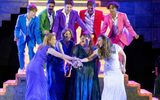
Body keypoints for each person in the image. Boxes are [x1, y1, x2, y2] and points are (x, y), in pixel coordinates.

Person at [25, 33, 77, 100]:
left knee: (33, 86)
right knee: (41, 85)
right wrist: (74, 58)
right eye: (54, 39)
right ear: (49, 41)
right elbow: (62, 55)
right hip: (37, 68)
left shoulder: (41, 46)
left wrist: (71, 63)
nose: (55, 41)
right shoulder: (49, 49)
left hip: (30, 66)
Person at [80, 35, 127, 100]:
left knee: (118, 91)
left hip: (117, 73)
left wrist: (123, 66)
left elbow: (124, 55)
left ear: (104, 41)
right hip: (108, 74)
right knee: (108, 91)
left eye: (99, 40)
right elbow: (89, 58)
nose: (97, 42)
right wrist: (80, 60)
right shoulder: (99, 51)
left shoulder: (116, 47)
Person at [68, 33, 101, 100]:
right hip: (80, 74)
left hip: (90, 74)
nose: (83, 39)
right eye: (82, 38)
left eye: (85, 38)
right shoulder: (76, 47)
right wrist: (76, 63)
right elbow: (73, 59)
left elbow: (98, 61)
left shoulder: (94, 48)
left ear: (89, 39)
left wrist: (97, 71)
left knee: (89, 90)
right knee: (80, 91)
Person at [46, 28, 74, 100]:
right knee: (53, 85)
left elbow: (67, 55)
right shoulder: (58, 43)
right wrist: (73, 61)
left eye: (69, 34)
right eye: (66, 34)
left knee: (61, 85)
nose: (67, 35)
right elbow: (63, 55)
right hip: (54, 67)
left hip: (61, 67)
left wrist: (71, 65)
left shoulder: (71, 43)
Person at [14, 4, 42, 73]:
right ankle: (21, 67)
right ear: (29, 11)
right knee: (20, 52)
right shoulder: (20, 17)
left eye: (35, 12)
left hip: (31, 37)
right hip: (21, 37)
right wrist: (16, 36)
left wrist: (40, 43)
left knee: (31, 51)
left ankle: (32, 67)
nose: (35, 13)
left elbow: (37, 31)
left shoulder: (36, 19)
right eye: (33, 12)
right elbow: (17, 28)